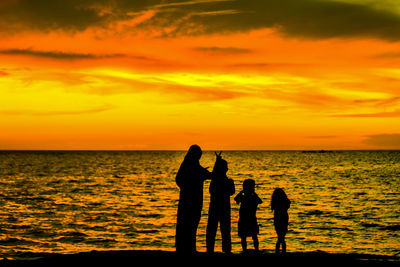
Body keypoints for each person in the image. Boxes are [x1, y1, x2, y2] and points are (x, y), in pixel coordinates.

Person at [175, 144, 212, 254]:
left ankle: (186, 247)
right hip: (192, 200)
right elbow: (207, 175)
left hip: (189, 199)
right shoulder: (191, 164)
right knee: (190, 224)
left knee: (187, 224)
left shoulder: (189, 164)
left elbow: (179, 180)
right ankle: (188, 248)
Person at [206, 152, 235, 254]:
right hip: (224, 208)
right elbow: (232, 192)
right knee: (225, 230)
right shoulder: (228, 181)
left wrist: (217, 162)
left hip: (214, 207)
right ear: (226, 169)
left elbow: (211, 190)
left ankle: (210, 249)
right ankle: (226, 250)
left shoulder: (214, 180)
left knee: (211, 230)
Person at [234, 179, 262, 252]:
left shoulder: (244, 197)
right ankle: (256, 249)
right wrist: (254, 193)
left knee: (245, 236)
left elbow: (236, 198)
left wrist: (241, 192)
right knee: (253, 236)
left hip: (246, 218)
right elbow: (260, 201)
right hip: (250, 218)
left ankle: (245, 250)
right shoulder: (252, 197)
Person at [271, 187, 291, 254]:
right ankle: (282, 251)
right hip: (283, 219)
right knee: (282, 237)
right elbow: (289, 203)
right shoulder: (284, 203)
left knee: (280, 237)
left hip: (277, 219)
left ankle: (278, 251)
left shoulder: (275, 203)